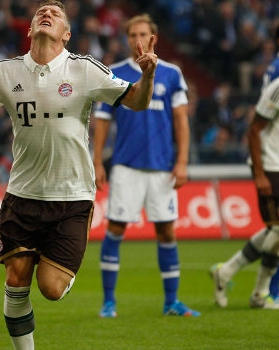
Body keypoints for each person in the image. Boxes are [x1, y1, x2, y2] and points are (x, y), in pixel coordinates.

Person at [0, 1, 157, 349]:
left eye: (55, 12)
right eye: (40, 12)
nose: (45, 13)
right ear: (31, 28)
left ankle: (63, 269)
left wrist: (148, 74)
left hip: (72, 196)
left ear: (66, 34)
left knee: (50, 289)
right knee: (16, 278)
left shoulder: (85, 69)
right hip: (23, 195)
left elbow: (138, 102)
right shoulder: (5, 72)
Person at [209, 20, 279, 310]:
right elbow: (255, 127)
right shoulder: (278, 77)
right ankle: (263, 292)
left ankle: (228, 272)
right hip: (273, 163)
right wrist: (259, 172)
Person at [93, 14, 198, 318]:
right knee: (115, 229)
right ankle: (109, 302)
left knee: (167, 232)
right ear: (127, 39)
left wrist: (181, 161)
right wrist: (98, 161)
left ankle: (171, 302)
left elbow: (180, 119)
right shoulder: (114, 73)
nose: (137, 37)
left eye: (143, 32)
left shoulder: (171, 73)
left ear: (154, 37)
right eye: (132, 33)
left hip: (162, 167)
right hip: (126, 165)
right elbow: (101, 122)